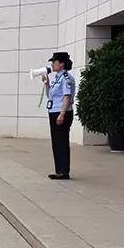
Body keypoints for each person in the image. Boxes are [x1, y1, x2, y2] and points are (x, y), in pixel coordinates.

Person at [43, 51, 76, 180]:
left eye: (54, 61)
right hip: (54, 112)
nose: (52, 64)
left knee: (61, 141)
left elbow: (67, 97)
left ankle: (64, 171)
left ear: (61, 63)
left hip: (62, 112)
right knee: (56, 142)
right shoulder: (58, 78)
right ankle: (59, 170)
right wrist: (47, 83)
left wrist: (62, 114)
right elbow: (50, 96)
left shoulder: (67, 78)